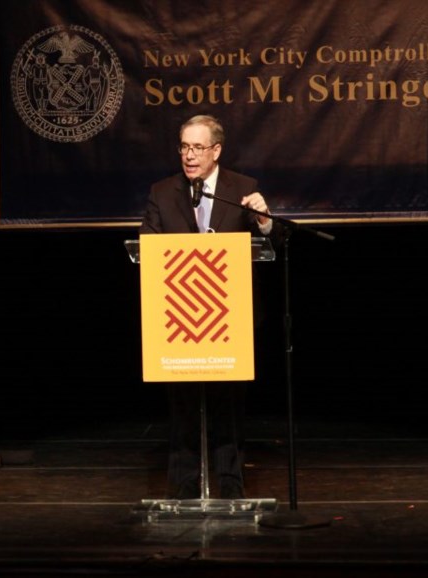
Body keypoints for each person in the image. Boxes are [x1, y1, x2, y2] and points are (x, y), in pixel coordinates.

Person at [140, 114, 272, 500]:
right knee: (182, 407)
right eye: (184, 146)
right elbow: (146, 248)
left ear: (216, 151)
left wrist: (264, 221)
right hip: (177, 317)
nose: (189, 155)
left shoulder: (243, 188)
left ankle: (230, 486)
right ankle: (182, 488)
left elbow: (271, 242)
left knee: (227, 406)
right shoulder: (163, 192)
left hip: (228, 318)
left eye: (198, 148)